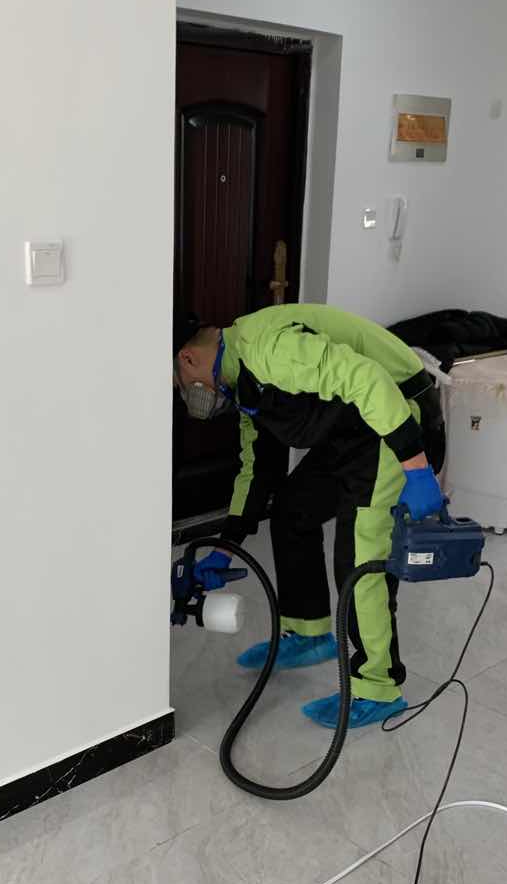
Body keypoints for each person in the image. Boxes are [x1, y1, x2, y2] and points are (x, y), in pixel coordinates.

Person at [173, 303, 446, 730]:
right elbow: (257, 469)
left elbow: (368, 381)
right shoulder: (239, 379)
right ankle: (308, 631)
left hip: (397, 422)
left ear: (187, 359)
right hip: (353, 431)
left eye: (179, 385)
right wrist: (226, 548)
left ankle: (379, 685)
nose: (186, 394)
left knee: (359, 555)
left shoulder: (267, 349)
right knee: (290, 510)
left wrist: (417, 469)